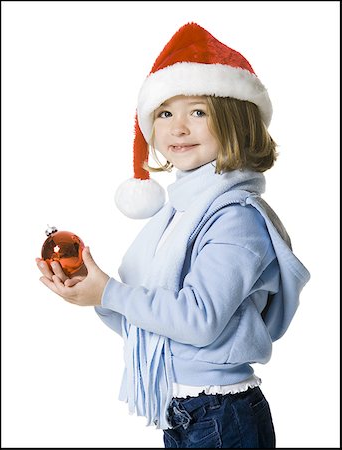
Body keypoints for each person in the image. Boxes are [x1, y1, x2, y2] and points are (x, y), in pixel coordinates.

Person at [36, 22, 310, 448]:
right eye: (165, 113)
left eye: (198, 111)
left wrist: (109, 293)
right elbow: (154, 319)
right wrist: (91, 292)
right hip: (185, 408)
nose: (177, 128)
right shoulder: (178, 212)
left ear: (235, 120)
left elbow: (197, 320)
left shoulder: (233, 219)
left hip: (220, 413)